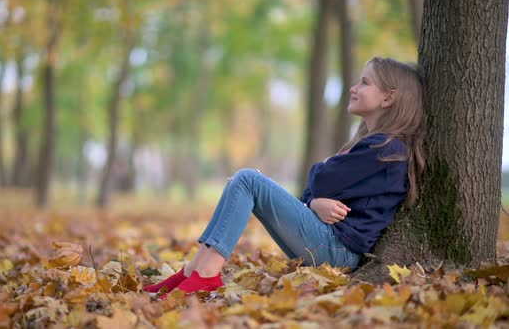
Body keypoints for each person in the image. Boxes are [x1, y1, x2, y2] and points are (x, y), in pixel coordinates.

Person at [144, 57, 426, 297]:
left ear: (388, 97)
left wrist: (322, 172)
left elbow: (321, 180)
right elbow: (312, 191)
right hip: (327, 243)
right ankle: (194, 269)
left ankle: (205, 274)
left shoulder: (386, 149)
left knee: (247, 180)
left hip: (337, 250)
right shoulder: (373, 145)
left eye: (365, 82)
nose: (354, 88)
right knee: (240, 182)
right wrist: (315, 203)